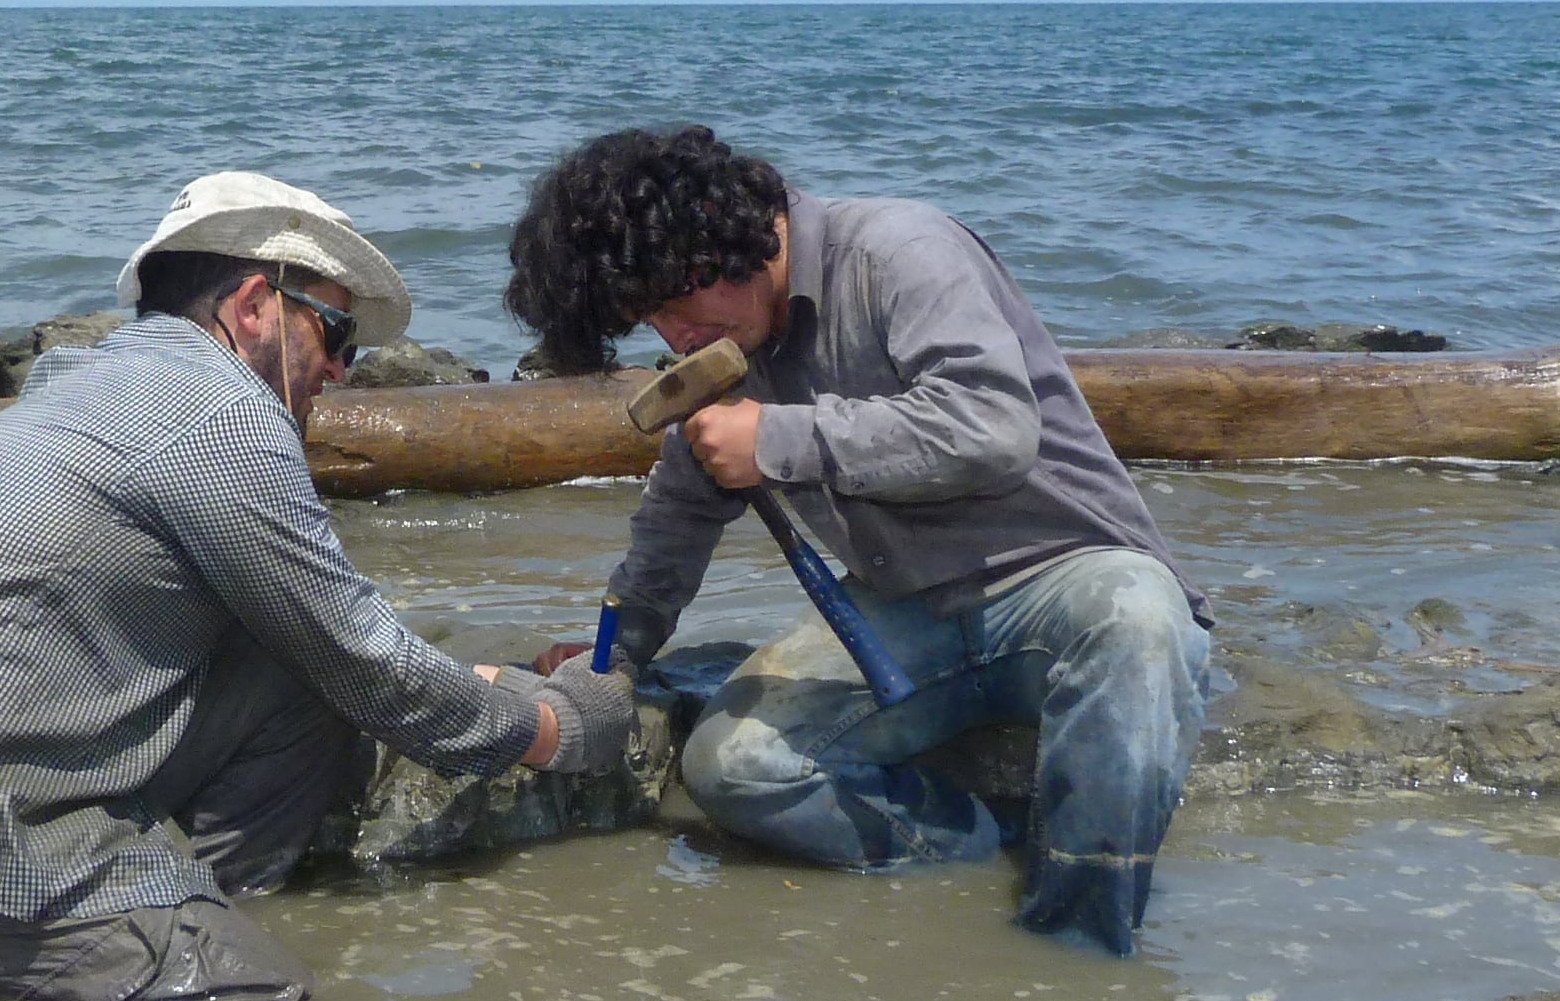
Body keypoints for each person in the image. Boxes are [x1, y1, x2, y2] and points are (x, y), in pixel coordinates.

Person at [0, 171, 636, 1001]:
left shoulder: (95, 385)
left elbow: (326, 646)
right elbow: (363, 657)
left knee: (290, 674)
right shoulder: (217, 415)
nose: (341, 371)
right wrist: (557, 729)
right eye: (335, 332)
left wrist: (500, 677)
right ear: (251, 307)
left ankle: (177, 906)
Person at [505, 126, 1210, 952]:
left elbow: (993, 428)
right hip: (906, 611)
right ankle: (983, 861)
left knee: (1140, 625)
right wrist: (613, 654)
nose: (674, 340)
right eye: (646, 320)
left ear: (713, 234)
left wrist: (775, 439)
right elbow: (674, 526)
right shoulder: (729, 348)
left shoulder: (900, 251)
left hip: (1070, 576)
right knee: (731, 767)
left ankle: (1082, 950)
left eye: (672, 303)